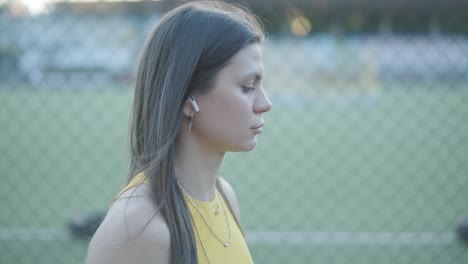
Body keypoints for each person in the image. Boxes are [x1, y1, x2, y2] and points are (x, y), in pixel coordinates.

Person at [85, 1, 272, 263]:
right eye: (247, 86)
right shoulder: (140, 226)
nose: (265, 103)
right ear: (187, 98)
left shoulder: (224, 196)